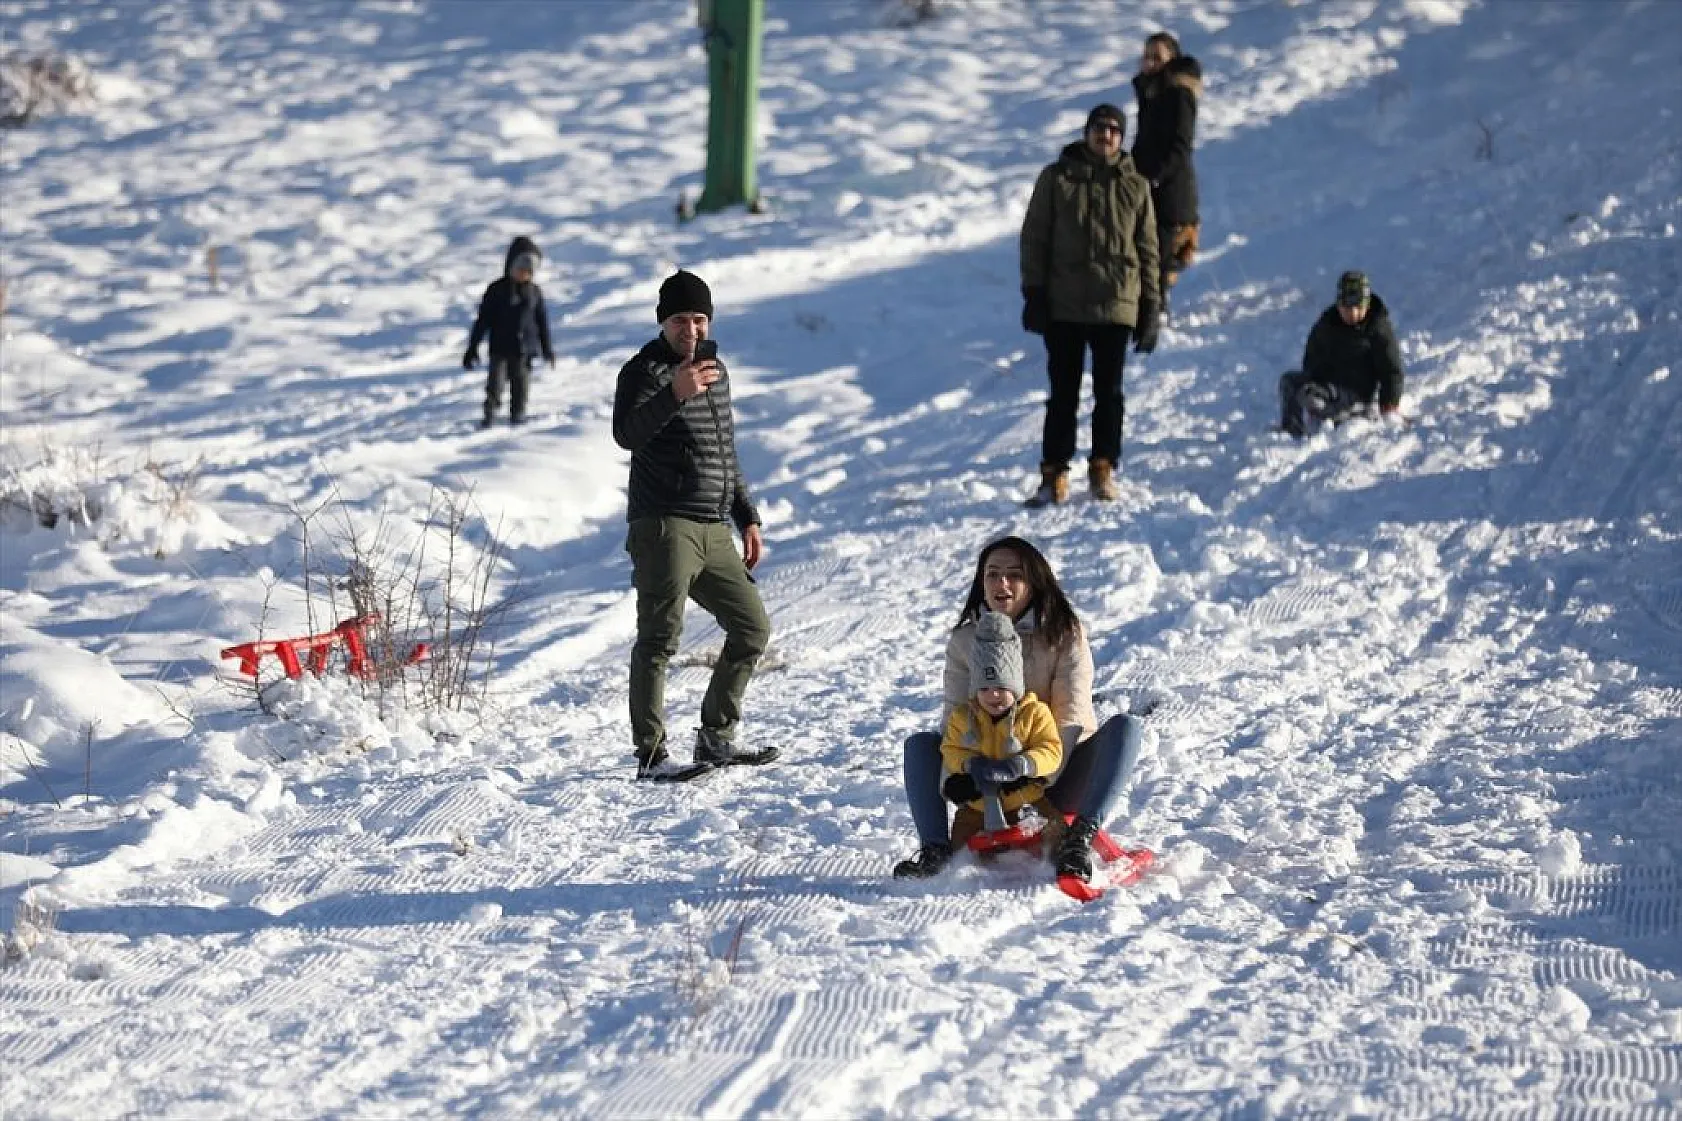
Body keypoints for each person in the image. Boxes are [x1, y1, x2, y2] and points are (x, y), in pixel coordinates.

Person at [894, 536, 1145, 886]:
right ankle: (935, 851)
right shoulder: (965, 642)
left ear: (1034, 583)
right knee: (921, 744)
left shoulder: (1063, 634)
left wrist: (1031, 773)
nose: (1002, 583)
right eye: (992, 574)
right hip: (984, 782)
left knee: (1127, 728)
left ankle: (1078, 840)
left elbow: (1070, 716)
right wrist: (960, 780)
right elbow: (955, 717)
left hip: (1055, 772)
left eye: (1015, 574)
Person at [612, 270, 776, 779]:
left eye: (699, 319)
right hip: (664, 522)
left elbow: (725, 452)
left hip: (712, 527)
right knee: (660, 637)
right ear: (664, 322)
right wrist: (673, 394)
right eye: (681, 319)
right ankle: (652, 755)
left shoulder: (716, 371)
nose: (691, 329)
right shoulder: (642, 373)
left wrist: (746, 516)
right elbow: (626, 434)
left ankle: (716, 738)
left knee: (752, 628)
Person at [1020, 104, 1162, 506]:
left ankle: (1103, 468)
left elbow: (1149, 248)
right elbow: (1035, 237)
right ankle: (1054, 475)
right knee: (1063, 393)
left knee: (1109, 393)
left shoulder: (1134, 185)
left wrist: (1151, 305)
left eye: (1115, 130)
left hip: (1116, 304)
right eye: (1100, 128)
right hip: (1064, 304)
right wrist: (1034, 292)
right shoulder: (1057, 177)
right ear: (1087, 132)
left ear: (1122, 137)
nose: (1107, 136)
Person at [938, 611, 1066, 849]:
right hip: (978, 805)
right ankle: (957, 875)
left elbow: (1051, 750)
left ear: (1016, 686)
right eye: (984, 688)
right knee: (960, 844)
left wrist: (1023, 764)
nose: (992, 695)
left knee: (1055, 831)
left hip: (1027, 799)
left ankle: (1059, 864)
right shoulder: (964, 717)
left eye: (1000, 687)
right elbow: (950, 749)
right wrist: (970, 764)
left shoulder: (1034, 713)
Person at [1278, 270, 1406, 438]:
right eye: (1347, 308)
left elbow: (1392, 370)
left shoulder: (1377, 327)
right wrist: (1314, 377)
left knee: (1315, 397)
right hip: (1327, 385)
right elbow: (1312, 355)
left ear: (1367, 305)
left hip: (1356, 391)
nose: (1352, 314)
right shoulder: (1328, 323)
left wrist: (1389, 405)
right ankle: (1292, 431)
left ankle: (1351, 414)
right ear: (1339, 305)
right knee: (1289, 382)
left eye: (1358, 308)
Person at [1131, 32, 1203, 307]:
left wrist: (1153, 177)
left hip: (1171, 196)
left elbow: (1180, 148)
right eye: (1146, 56)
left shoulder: (1178, 94)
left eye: (1157, 57)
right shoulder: (1152, 94)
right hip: (1149, 188)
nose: (1149, 63)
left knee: (1156, 263)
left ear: (1172, 60)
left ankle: (1154, 322)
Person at [464, 236, 555, 428]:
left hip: (524, 350)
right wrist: (472, 347)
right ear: (510, 266)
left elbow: (541, 323)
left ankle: (518, 414)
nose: (524, 274)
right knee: (495, 384)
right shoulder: (497, 290)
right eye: (520, 269)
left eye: (529, 271)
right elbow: (483, 321)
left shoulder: (534, 292)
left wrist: (547, 349)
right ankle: (490, 414)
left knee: (521, 385)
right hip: (500, 348)